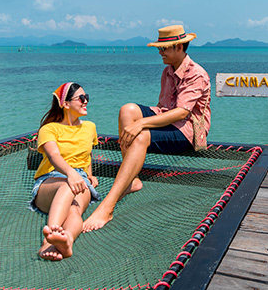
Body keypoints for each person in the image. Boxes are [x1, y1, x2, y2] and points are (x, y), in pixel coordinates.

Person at [82, 24, 210, 232]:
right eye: (159, 48)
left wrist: (141, 123)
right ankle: (132, 179)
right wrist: (139, 119)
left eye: (163, 49)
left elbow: (181, 113)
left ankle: (108, 206)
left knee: (141, 136)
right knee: (127, 110)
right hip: (167, 118)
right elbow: (163, 108)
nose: (160, 53)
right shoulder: (167, 71)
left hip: (189, 130)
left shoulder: (197, 74)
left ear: (179, 47)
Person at [29, 81, 100, 261]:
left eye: (87, 98)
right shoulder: (49, 129)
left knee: (74, 212)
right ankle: (48, 241)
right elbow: (53, 155)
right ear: (65, 104)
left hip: (81, 180)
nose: (86, 101)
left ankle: (67, 239)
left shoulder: (90, 127)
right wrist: (71, 173)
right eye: (81, 98)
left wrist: (89, 175)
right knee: (68, 186)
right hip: (51, 181)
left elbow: (88, 155)